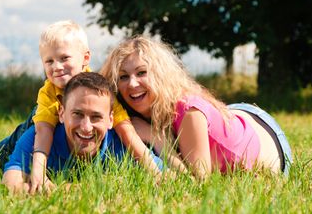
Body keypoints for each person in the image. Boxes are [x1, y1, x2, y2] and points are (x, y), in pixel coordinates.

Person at [0, 21, 161, 193]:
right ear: (62, 112)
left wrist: (155, 171)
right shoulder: (47, 93)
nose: (57, 67)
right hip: (36, 127)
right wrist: (39, 172)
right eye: (49, 61)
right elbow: (41, 132)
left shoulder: (99, 92)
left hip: (65, 130)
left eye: (64, 58)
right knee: (4, 154)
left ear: (85, 58)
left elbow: (126, 130)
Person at [100, 35, 292, 180]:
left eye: (141, 72)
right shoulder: (138, 112)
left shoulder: (188, 112)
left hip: (273, 145)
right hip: (234, 118)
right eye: (123, 76)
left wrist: (155, 138)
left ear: (160, 75)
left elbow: (199, 182)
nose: (132, 84)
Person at [2, 72, 163, 194]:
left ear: (110, 119)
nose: (86, 127)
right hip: (9, 146)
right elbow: (10, 184)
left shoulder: (122, 147)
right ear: (62, 113)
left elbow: (165, 176)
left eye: (96, 117)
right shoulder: (37, 138)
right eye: (77, 114)